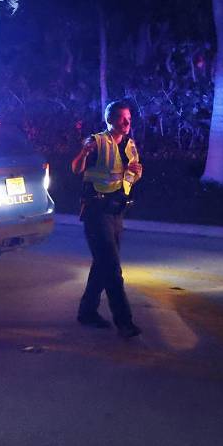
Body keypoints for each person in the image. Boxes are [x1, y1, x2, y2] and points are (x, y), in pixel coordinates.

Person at [71, 99, 143, 338]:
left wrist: (134, 176)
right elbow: (76, 168)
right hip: (96, 211)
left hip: (116, 212)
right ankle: (125, 322)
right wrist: (84, 151)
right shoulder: (97, 141)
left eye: (129, 118)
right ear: (110, 119)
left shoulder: (130, 145)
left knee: (102, 264)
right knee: (112, 268)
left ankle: (87, 311)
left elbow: (133, 170)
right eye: (122, 118)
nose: (127, 122)